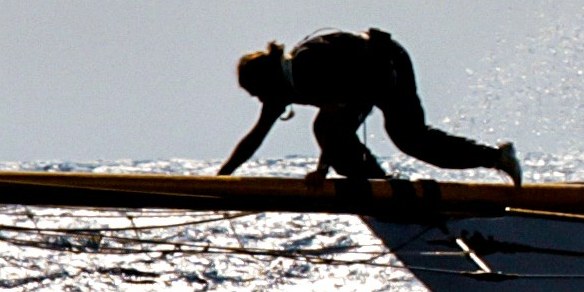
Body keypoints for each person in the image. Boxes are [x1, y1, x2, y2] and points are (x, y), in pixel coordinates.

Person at [219, 28, 521, 186]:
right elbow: (254, 139)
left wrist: (321, 170)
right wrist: (221, 180)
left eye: (256, 91)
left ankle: (497, 157)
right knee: (332, 136)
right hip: (359, 83)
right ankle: (380, 184)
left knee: (408, 137)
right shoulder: (279, 94)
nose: (259, 100)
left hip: (385, 63)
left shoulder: (306, 67)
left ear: (268, 79)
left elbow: (334, 118)